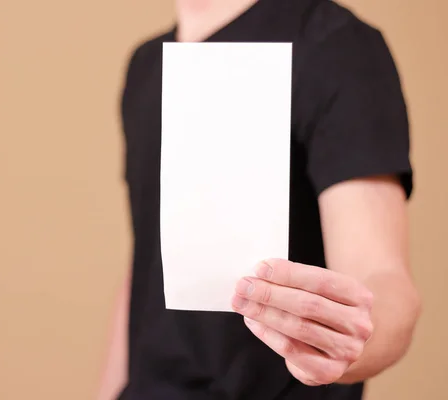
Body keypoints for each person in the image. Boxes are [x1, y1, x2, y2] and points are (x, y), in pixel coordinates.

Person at [97, 0, 421, 399]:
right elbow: (146, 265)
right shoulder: (146, 65)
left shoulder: (335, 46)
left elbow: (382, 278)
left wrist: (350, 346)